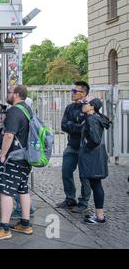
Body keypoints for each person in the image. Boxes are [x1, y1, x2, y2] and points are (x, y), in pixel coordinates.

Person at [0, 85, 33, 241]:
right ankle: (25, 224)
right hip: (25, 157)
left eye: (9, 92)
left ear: (17, 95)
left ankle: (4, 228)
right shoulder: (27, 109)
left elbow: (8, 135)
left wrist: (3, 155)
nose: (7, 95)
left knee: (6, 191)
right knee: (22, 189)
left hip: (13, 157)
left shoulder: (14, 111)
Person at [57, 81, 91, 213]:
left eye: (75, 91)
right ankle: (70, 199)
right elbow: (63, 125)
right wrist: (77, 126)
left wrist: (74, 126)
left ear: (83, 93)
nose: (72, 93)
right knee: (66, 172)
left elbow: (87, 128)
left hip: (85, 147)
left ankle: (83, 202)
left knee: (85, 176)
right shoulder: (70, 108)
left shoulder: (89, 107)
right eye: (72, 90)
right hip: (71, 145)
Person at [79, 98, 110, 224]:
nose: (83, 106)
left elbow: (95, 140)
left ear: (92, 107)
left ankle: (100, 217)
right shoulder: (95, 118)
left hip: (93, 156)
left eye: (85, 104)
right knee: (96, 184)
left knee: (96, 185)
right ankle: (99, 215)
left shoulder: (92, 119)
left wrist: (86, 148)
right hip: (96, 155)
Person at [11, 96, 36, 219]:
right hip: (27, 153)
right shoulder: (29, 112)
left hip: (18, 154)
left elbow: (10, 135)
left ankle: (22, 209)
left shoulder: (18, 112)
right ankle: (26, 211)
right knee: (22, 185)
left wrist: (4, 154)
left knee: (14, 185)